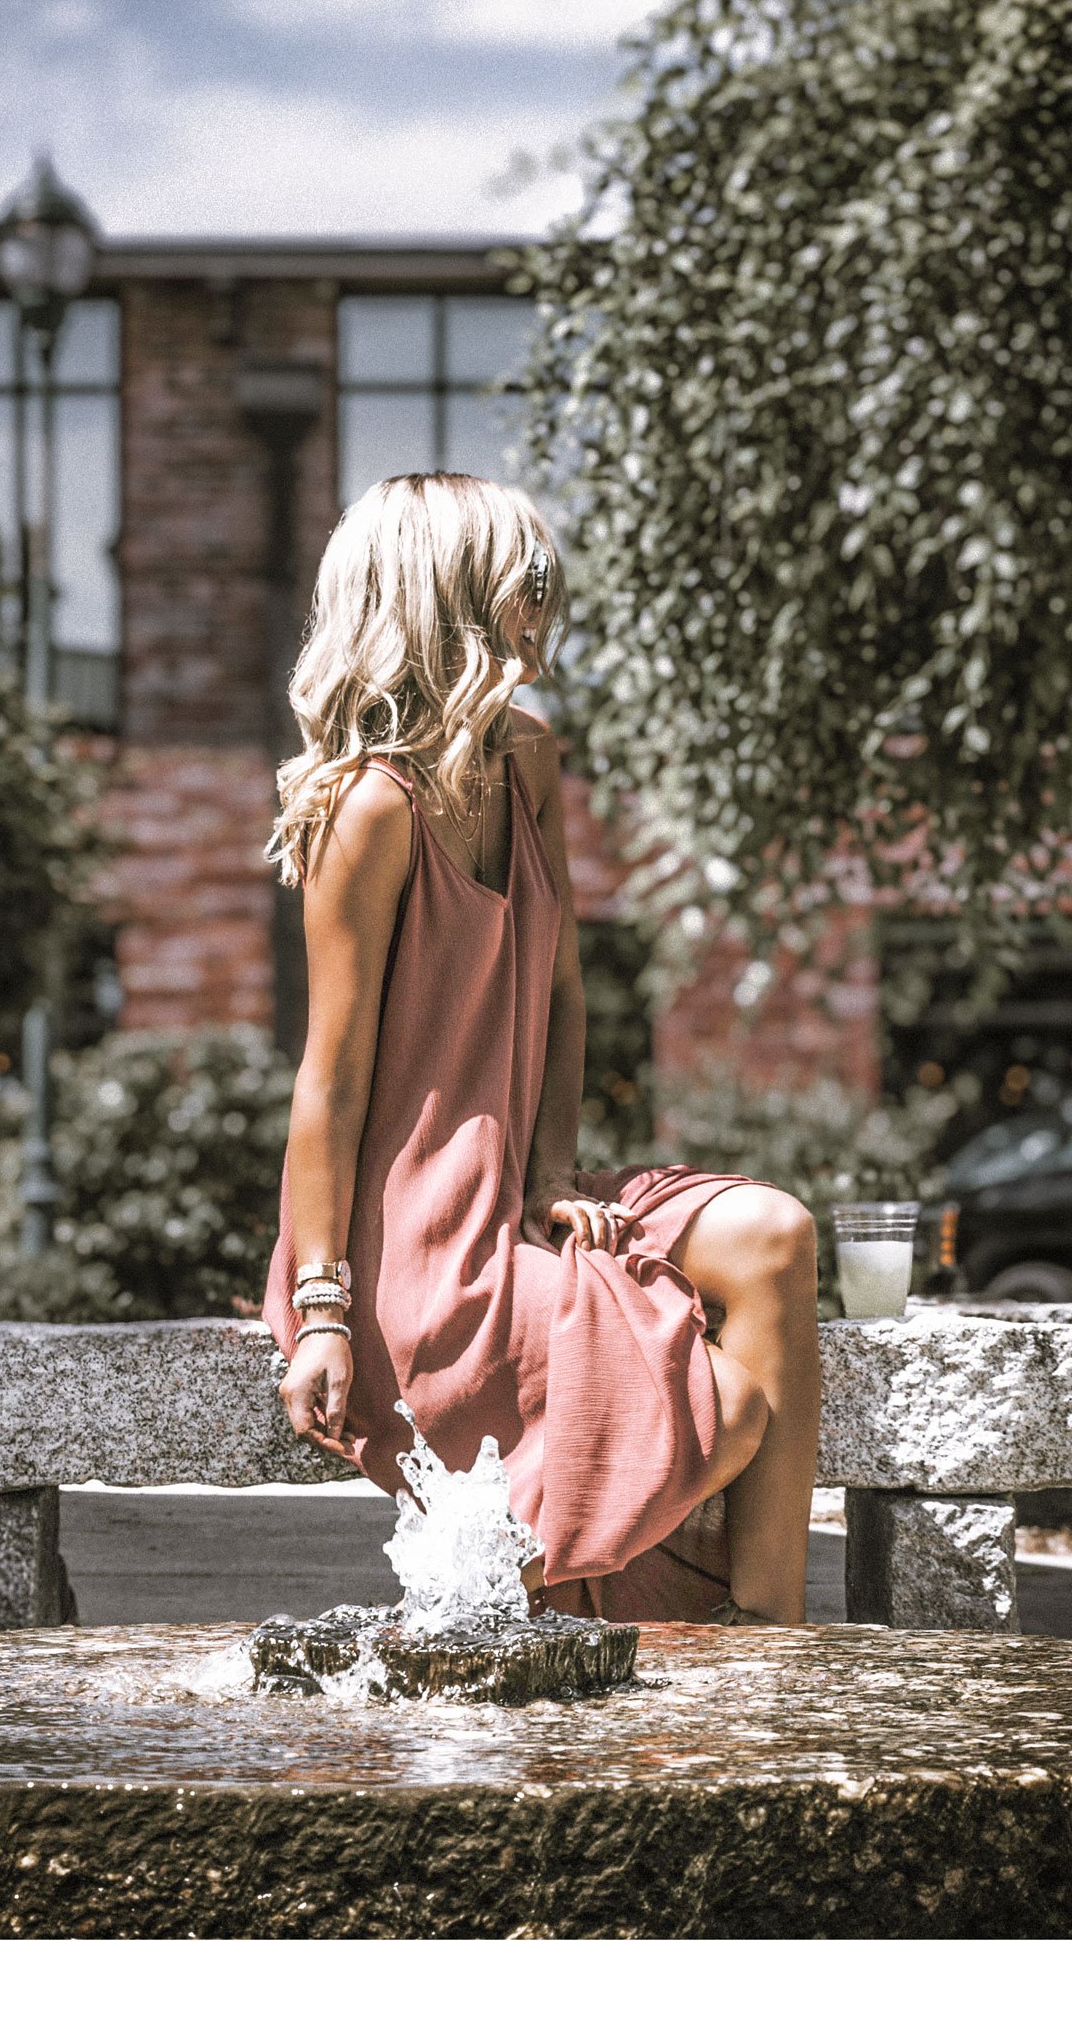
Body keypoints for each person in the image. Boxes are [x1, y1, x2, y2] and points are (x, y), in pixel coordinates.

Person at [261, 473, 820, 1623]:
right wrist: (322, 1309)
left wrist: (554, 1174)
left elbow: (563, 986)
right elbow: (331, 1077)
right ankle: (487, 1597)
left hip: (520, 1182)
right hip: (406, 1240)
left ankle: (778, 1651)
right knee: (730, 1409)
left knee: (776, 1233)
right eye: (529, 579)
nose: (546, 602)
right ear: (456, 594)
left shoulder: (526, 755)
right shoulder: (369, 808)